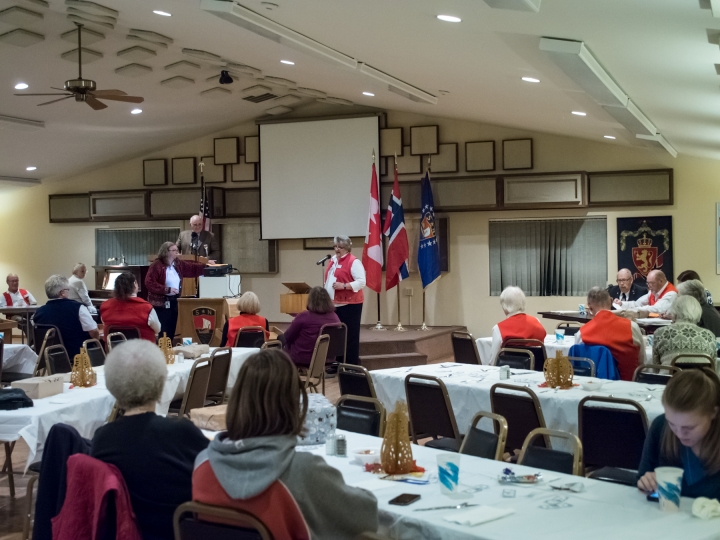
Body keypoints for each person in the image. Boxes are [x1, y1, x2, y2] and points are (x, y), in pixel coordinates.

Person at [192, 349, 378, 539]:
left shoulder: (202, 464)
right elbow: (367, 515)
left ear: (237, 400)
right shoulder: (301, 469)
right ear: (292, 404)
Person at [91, 340, 209, 540]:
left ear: (113, 385)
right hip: (181, 532)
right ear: (160, 381)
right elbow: (215, 476)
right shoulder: (181, 432)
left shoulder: (102, 439)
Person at [637, 369, 720, 500]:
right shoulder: (660, 426)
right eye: (672, 424)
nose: (680, 434)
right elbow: (642, 479)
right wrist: (646, 483)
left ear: (713, 413)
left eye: (689, 427)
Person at [574, 287, 646, 381]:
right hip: (628, 386)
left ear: (589, 306)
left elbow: (580, 366)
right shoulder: (632, 327)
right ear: (611, 301)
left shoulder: (582, 333)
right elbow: (641, 362)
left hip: (595, 389)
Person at [144, 242, 205, 341]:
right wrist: (166, 290)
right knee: (164, 330)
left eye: (177, 250)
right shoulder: (157, 265)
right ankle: (162, 352)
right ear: (166, 252)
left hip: (174, 301)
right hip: (161, 304)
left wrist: (206, 267)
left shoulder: (177, 263)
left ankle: (169, 351)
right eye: (174, 250)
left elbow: (191, 268)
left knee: (172, 329)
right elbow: (149, 282)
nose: (177, 252)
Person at [323, 235, 365, 365]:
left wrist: (344, 286)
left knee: (350, 336)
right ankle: (338, 363)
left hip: (350, 304)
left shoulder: (354, 262)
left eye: (340, 247)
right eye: (335, 246)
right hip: (334, 304)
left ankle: (351, 364)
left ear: (347, 248)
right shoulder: (333, 260)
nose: (337, 249)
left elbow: (362, 282)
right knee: (338, 336)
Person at [34, 275, 99, 357]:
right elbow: (94, 331)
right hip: (76, 354)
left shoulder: (38, 312)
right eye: (68, 290)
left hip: (48, 355)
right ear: (62, 293)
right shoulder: (78, 308)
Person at [283, 286, 341, 368]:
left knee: (281, 339)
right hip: (328, 358)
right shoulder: (335, 317)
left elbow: (288, 336)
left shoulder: (304, 316)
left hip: (304, 358)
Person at [651, 296, 716, 366]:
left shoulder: (660, 333)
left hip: (671, 376)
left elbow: (656, 367)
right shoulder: (709, 335)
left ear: (674, 312)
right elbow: (713, 366)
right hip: (701, 376)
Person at [488, 286, 546, 364]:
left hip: (511, 371)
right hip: (538, 370)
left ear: (504, 306)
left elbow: (493, 361)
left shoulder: (498, 328)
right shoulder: (536, 321)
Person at [100, 272, 161, 343]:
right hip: (142, 352)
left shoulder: (105, 306)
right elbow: (158, 329)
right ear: (135, 284)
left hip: (115, 352)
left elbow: (104, 324)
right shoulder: (146, 308)